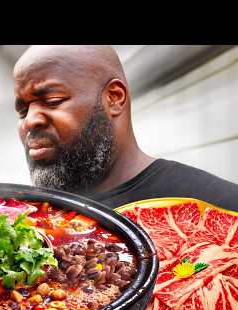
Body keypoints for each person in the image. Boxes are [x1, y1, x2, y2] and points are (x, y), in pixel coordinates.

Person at [13, 45, 238, 211]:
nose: (30, 121)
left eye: (53, 100)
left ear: (114, 98)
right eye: (22, 111)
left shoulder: (218, 206)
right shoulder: (29, 221)